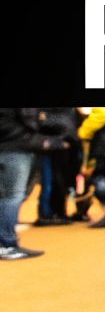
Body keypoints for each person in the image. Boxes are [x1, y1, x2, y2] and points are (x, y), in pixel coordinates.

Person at [1, 109, 49, 260]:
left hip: (9, 147)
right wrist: (31, 135)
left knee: (7, 196)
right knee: (13, 196)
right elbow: (27, 119)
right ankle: (7, 245)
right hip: (15, 148)